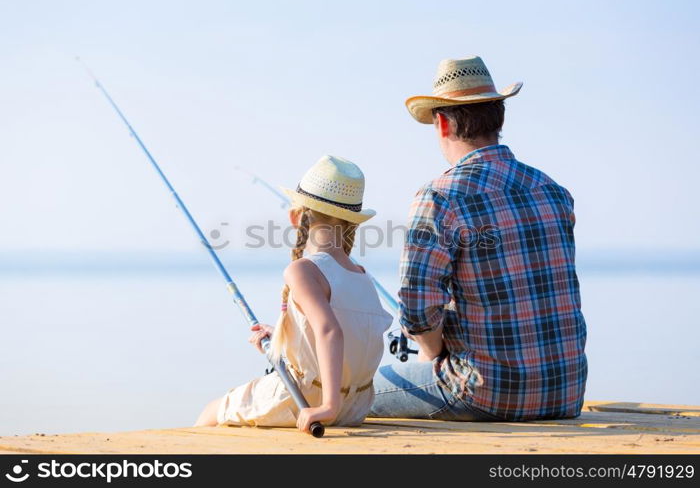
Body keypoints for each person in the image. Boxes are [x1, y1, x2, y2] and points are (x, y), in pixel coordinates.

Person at [370, 56, 588, 422]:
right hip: (564, 394)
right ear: (499, 117)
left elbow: (417, 309)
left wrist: (432, 353)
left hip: (481, 394)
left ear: (441, 123)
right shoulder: (553, 191)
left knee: (348, 390)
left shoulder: (441, 196)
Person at [195, 155, 392, 433]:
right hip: (357, 405)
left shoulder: (303, 270)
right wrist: (280, 336)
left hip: (308, 398)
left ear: (295, 216)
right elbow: (341, 333)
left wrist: (328, 406)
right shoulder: (361, 276)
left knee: (212, 410)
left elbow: (330, 332)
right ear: (352, 224)